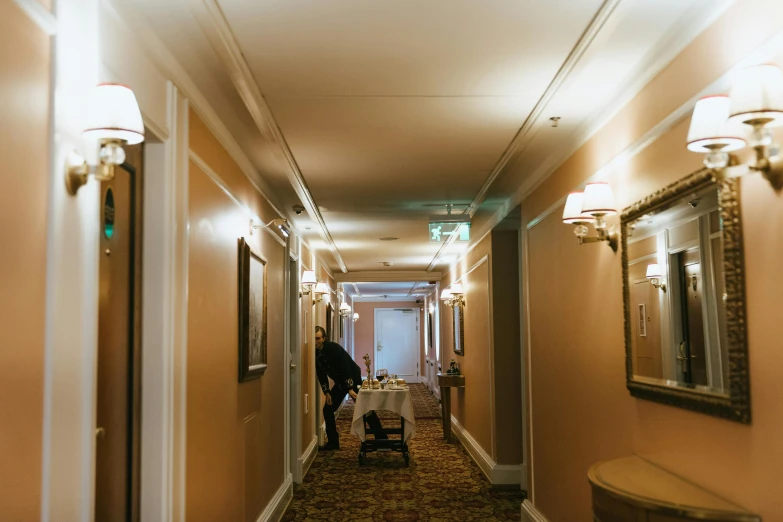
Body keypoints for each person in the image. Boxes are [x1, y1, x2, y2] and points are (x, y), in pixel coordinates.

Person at [315, 326, 386, 450]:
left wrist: (350, 388)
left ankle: (382, 439)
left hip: (353, 379)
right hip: (340, 383)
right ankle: (333, 442)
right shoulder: (316, 353)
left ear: (324, 339)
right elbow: (321, 374)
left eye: (318, 338)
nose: (315, 341)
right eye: (313, 339)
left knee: (365, 408)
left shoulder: (333, 348)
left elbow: (345, 367)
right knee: (328, 409)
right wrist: (326, 392)